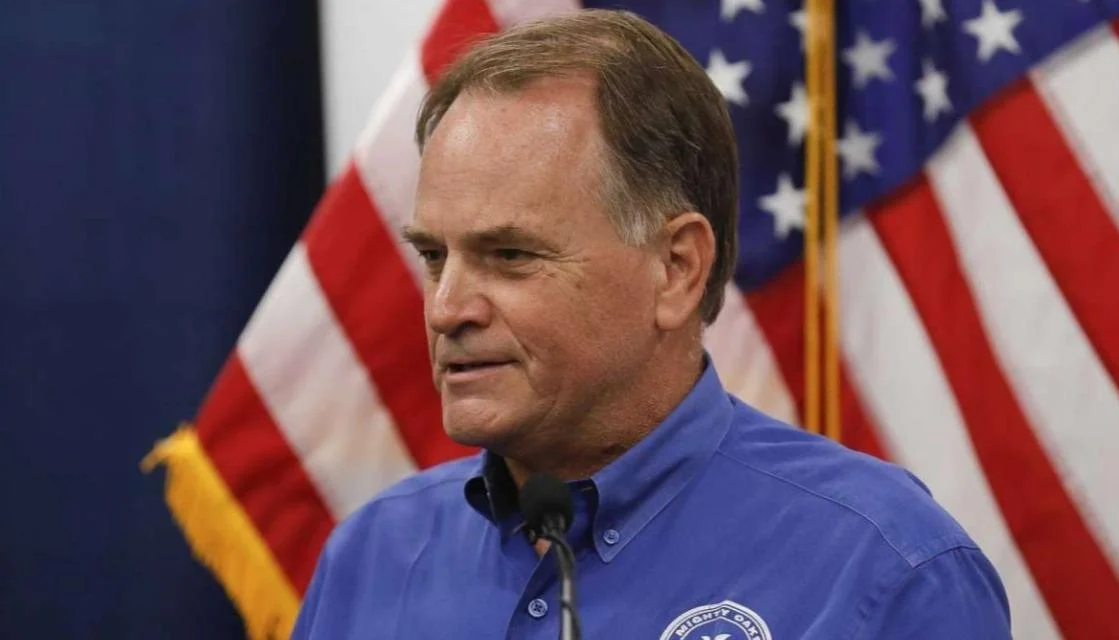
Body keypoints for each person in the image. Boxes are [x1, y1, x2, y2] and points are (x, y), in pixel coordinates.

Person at [292, 9, 1010, 639]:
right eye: (433, 255)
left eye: (510, 256)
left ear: (677, 268)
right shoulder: (372, 555)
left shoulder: (883, 567)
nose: (447, 309)